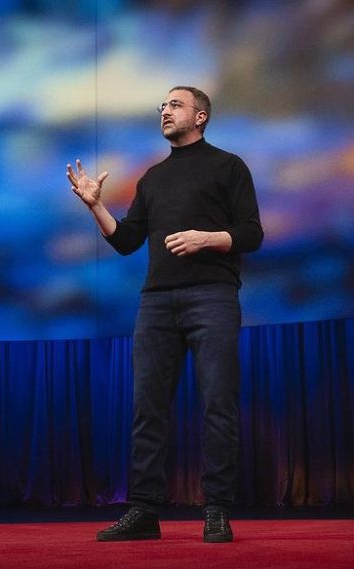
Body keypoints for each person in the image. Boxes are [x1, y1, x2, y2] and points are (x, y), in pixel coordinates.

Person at [66, 86, 263, 543]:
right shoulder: (152, 178)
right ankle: (144, 510)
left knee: (218, 403)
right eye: (163, 107)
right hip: (156, 302)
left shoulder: (229, 166)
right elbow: (125, 241)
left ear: (201, 116)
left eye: (175, 105)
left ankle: (216, 510)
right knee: (147, 408)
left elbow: (252, 233)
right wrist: (96, 205)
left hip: (212, 296)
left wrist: (206, 238)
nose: (166, 112)